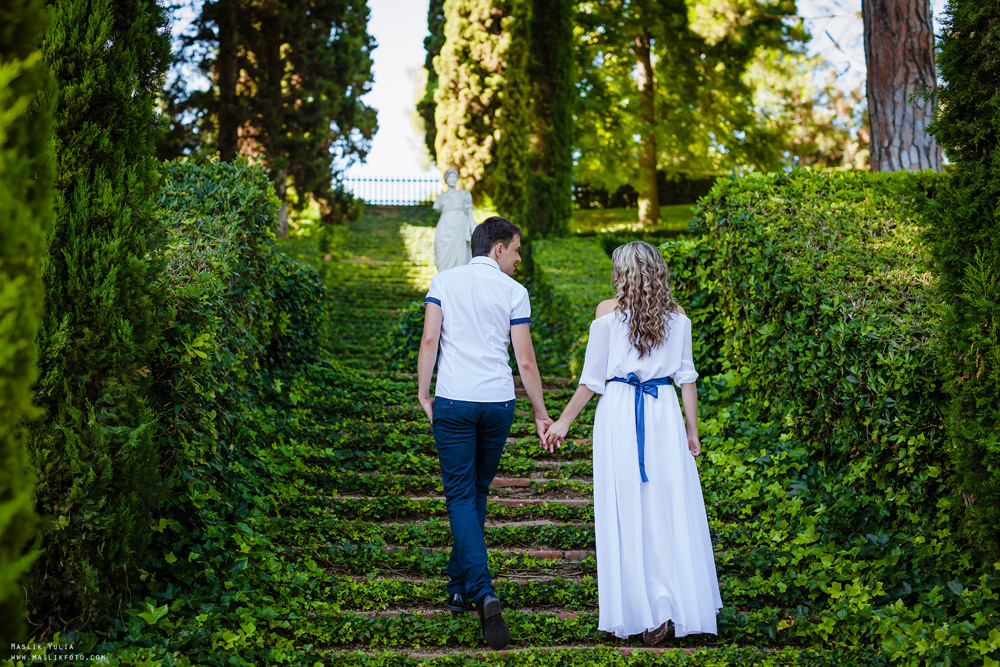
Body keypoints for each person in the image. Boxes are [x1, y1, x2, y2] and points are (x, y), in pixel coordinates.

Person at [544, 240, 722, 644]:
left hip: (622, 412)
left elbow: (592, 380)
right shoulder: (679, 319)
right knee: (665, 506)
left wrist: (563, 422)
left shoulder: (606, 314)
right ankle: (667, 606)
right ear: (657, 271)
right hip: (663, 414)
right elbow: (687, 379)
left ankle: (647, 611)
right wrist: (692, 432)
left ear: (623, 272)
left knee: (629, 508)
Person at [417, 216, 553, 650]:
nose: (518, 260)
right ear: (497, 249)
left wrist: (424, 394)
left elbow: (429, 341)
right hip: (497, 403)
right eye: (515, 250)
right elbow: (526, 362)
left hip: (454, 400)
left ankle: (482, 591)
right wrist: (540, 413)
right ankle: (460, 585)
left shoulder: (443, 281)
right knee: (476, 492)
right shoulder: (514, 292)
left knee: (460, 495)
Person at [432, 168, 478, 272]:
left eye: (454, 177)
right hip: (444, 227)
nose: (452, 180)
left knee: (461, 257)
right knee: (442, 255)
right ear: (446, 179)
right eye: (450, 177)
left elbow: (470, 214)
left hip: (460, 226)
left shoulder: (464, 195)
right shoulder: (441, 198)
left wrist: (474, 229)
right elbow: (437, 207)